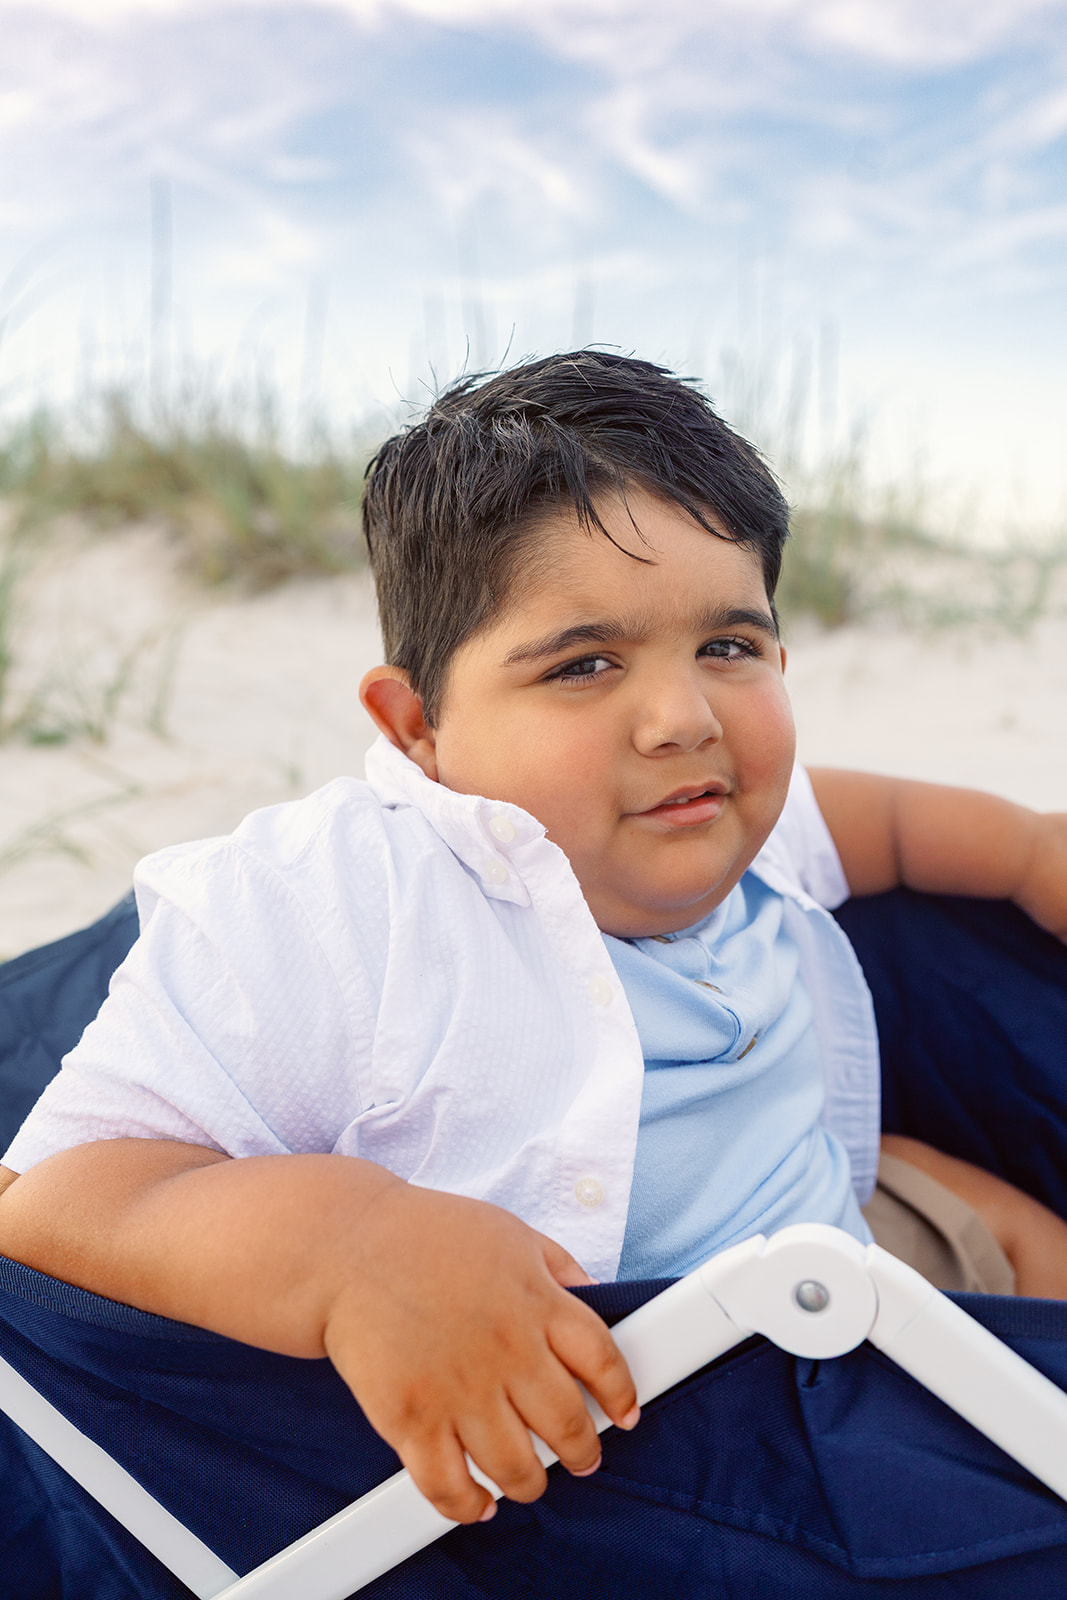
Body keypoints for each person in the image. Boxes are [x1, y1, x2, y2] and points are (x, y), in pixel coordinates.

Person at [1, 351, 1066, 1531]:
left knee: (1009, 1226)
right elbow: (55, 1202)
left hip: (842, 1229)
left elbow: (898, 829)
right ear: (418, 726)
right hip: (658, 1429)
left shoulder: (737, 812)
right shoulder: (347, 898)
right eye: (584, 664)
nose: (683, 718)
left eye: (727, 644)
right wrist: (354, 1244)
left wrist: (1028, 850)